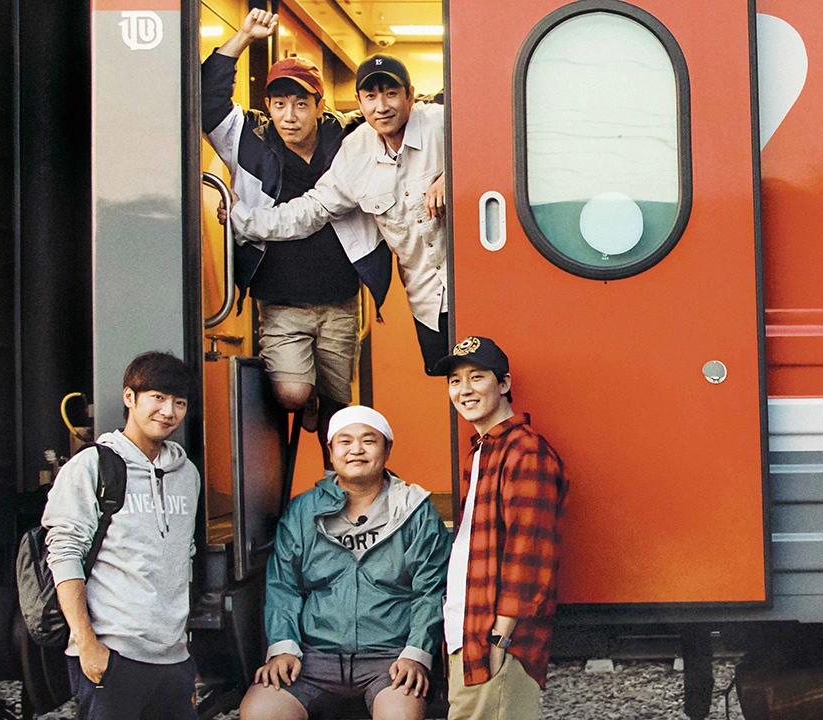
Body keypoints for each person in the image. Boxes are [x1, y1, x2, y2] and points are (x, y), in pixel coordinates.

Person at [202, 10, 393, 462]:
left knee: (337, 405)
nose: (289, 116)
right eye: (279, 104)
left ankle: (336, 483)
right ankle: (304, 396)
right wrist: (243, 36)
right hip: (282, 303)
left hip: (339, 298)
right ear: (268, 106)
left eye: (301, 104)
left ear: (320, 106)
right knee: (292, 393)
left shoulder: (350, 136)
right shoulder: (248, 139)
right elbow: (206, 100)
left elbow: (411, 115)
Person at [228, 54, 449, 375]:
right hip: (427, 296)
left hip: (475, 282)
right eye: (371, 97)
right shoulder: (356, 151)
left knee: (485, 374)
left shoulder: (441, 122)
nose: (381, 107)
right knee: (452, 381)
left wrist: (453, 174)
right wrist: (240, 217)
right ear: (359, 102)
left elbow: (496, 131)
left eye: (391, 94)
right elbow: (311, 209)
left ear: (410, 96)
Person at [240, 406, 450, 720]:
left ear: (387, 449)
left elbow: (430, 591)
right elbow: (283, 585)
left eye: (369, 440)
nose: (356, 450)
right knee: (260, 712)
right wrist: (283, 647)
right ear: (331, 450)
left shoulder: (415, 510)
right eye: (345, 441)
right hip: (312, 660)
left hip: (390, 659)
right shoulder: (303, 510)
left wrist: (417, 654)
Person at [42, 351, 200, 720]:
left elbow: (184, 556)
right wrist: (87, 646)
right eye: (157, 398)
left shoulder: (186, 473)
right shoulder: (92, 465)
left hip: (173, 659)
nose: (168, 411)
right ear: (130, 397)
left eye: (179, 402)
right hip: (113, 655)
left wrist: (185, 647)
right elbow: (64, 554)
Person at [434, 336, 568, 720]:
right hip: (470, 630)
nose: (464, 390)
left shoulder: (525, 451)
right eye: (455, 381)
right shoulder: (482, 450)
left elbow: (530, 554)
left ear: (504, 383)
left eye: (477, 377)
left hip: (495, 639)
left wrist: (500, 638)